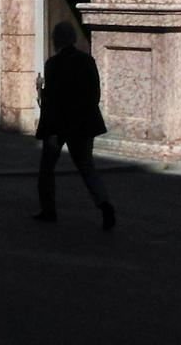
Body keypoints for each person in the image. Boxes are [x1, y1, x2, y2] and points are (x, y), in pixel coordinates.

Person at [34, 20, 116, 230]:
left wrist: (41, 96)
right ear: (73, 39)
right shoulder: (88, 61)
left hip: (59, 125)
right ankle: (104, 204)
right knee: (87, 167)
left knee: (46, 169)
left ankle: (49, 210)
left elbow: (52, 101)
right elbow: (95, 94)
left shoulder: (53, 64)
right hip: (83, 123)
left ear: (56, 40)